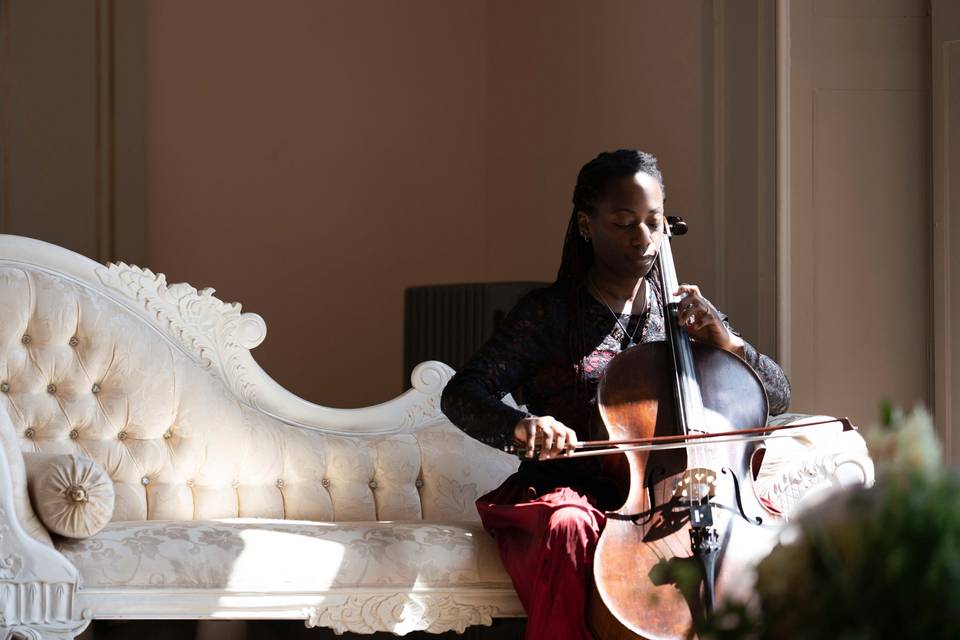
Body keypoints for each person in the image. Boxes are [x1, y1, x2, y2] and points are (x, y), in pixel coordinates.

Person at [439, 149, 790, 640]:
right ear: (587, 225)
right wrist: (522, 426)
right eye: (625, 223)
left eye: (654, 221)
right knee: (570, 525)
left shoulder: (686, 313)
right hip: (569, 493)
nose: (644, 238)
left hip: (669, 498)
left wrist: (726, 342)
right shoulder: (549, 314)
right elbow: (461, 393)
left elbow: (776, 394)